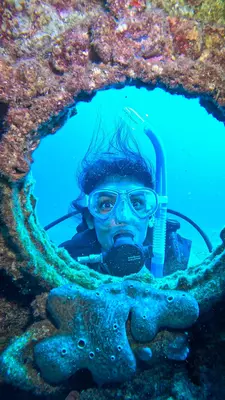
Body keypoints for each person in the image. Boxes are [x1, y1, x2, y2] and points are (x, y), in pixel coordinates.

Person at [59, 122, 192, 277]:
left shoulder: (175, 254)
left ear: (151, 216)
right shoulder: (68, 262)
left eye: (136, 203)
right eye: (107, 204)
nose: (124, 217)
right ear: (90, 219)